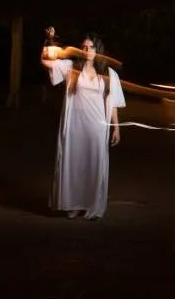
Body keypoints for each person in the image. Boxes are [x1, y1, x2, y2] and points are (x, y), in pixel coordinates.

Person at [40, 28, 126, 220]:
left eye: (91, 47)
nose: (87, 51)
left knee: (93, 164)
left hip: (96, 126)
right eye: (84, 47)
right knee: (74, 163)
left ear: (98, 50)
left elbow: (113, 103)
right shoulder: (72, 67)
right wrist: (50, 39)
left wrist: (116, 127)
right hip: (74, 125)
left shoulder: (109, 73)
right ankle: (72, 204)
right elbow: (46, 61)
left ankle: (90, 205)